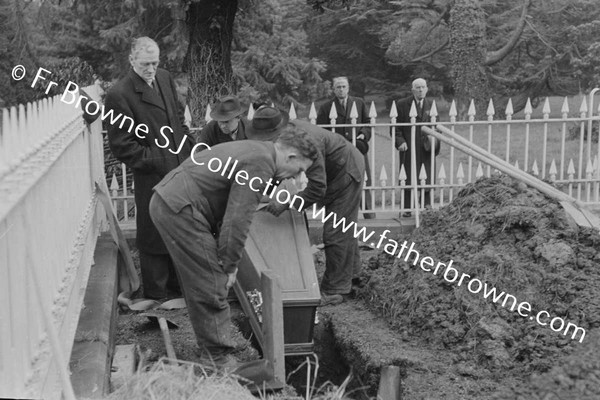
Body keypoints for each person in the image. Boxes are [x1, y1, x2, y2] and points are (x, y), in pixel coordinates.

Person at [149, 127, 318, 367]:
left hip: (172, 203)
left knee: (203, 277)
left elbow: (224, 203)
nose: (296, 177)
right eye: (299, 169)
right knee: (212, 279)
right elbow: (238, 219)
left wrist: (225, 258)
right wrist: (229, 266)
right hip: (181, 209)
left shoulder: (257, 151)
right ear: (290, 157)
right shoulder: (260, 163)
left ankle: (212, 349)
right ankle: (216, 359)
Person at [249, 107, 365, 306]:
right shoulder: (283, 139)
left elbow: (318, 187)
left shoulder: (307, 142)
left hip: (346, 171)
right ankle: (353, 276)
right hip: (335, 170)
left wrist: (287, 204)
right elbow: (277, 169)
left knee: (336, 231)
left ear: (279, 130)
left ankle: (336, 289)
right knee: (343, 229)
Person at [105, 37, 192, 300]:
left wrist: (188, 150)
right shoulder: (119, 94)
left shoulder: (164, 78)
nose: (151, 69)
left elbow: (177, 119)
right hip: (151, 175)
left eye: (155, 63)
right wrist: (157, 159)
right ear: (131, 61)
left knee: (180, 227)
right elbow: (122, 146)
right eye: (145, 64)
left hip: (179, 169)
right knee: (154, 232)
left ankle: (180, 289)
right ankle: (157, 294)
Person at [316, 76, 375, 219]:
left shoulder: (359, 103)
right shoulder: (326, 107)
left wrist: (363, 135)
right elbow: (321, 130)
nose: (341, 89)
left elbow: (368, 123)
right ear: (334, 90)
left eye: (343, 86)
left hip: (358, 148)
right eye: (338, 87)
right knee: (337, 182)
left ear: (348, 88)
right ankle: (337, 216)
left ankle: (368, 213)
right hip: (337, 151)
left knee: (363, 178)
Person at [394, 78, 440, 216]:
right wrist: (400, 141)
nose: (420, 90)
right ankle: (407, 208)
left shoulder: (431, 104)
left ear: (426, 89)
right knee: (407, 176)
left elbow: (437, 127)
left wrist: (434, 141)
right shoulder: (402, 104)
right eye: (418, 87)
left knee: (427, 176)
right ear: (413, 90)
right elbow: (395, 128)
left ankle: (426, 207)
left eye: (423, 87)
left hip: (426, 148)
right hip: (408, 147)